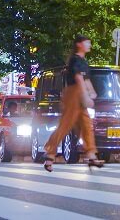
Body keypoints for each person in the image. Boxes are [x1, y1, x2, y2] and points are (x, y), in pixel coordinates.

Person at [43, 35, 101, 171]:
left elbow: (86, 79)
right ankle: (50, 153)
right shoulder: (75, 59)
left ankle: (91, 155)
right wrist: (86, 96)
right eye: (87, 42)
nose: (89, 45)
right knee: (66, 124)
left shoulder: (82, 61)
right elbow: (79, 78)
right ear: (79, 44)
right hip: (73, 94)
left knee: (87, 125)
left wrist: (92, 92)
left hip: (79, 93)